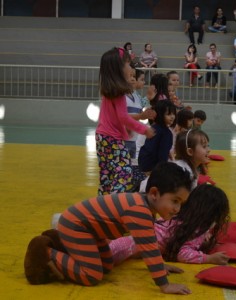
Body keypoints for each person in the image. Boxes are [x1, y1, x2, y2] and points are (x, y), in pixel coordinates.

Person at [25, 162, 193, 295]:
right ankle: (45, 251)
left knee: (106, 265)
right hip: (76, 226)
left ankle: (61, 243)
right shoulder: (139, 210)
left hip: (90, 230)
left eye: (181, 204)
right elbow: (149, 249)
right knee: (92, 275)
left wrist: (160, 265)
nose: (177, 209)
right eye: (175, 201)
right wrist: (164, 285)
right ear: (154, 193)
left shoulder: (146, 207)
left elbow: (149, 245)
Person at [109, 184, 230, 266]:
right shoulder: (195, 229)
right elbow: (183, 254)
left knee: (108, 250)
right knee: (108, 255)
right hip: (136, 243)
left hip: (137, 239)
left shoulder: (182, 217)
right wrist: (209, 259)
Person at [95, 47, 155, 195]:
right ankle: (115, 203)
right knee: (125, 171)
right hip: (112, 138)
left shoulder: (110, 92)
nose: (132, 69)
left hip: (102, 137)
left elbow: (117, 118)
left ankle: (102, 202)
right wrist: (144, 129)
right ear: (118, 69)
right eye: (129, 64)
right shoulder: (119, 94)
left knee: (107, 174)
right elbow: (123, 117)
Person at [138, 100, 176, 173]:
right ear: (160, 115)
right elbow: (162, 155)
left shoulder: (154, 128)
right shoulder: (166, 133)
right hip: (153, 168)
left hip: (144, 164)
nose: (172, 117)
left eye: (173, 114)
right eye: (168, 114)